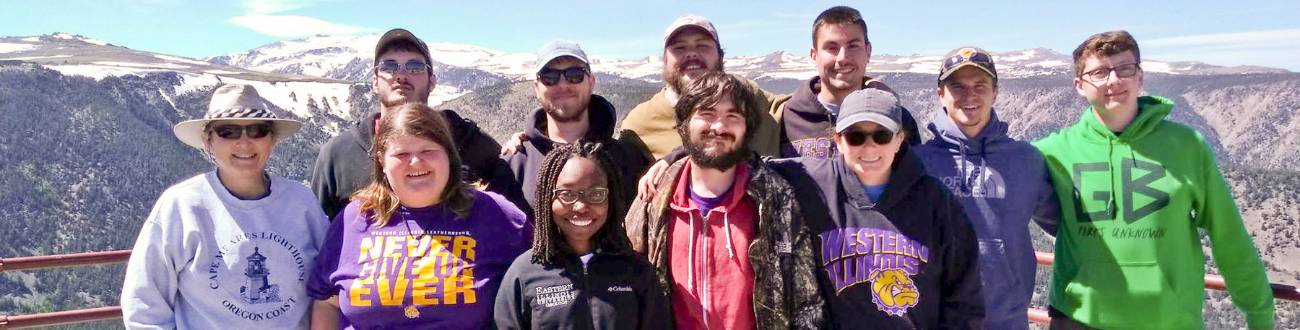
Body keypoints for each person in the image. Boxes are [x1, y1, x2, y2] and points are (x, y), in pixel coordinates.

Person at [1033, 30, 1275, 329]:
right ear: (1079, 86)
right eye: (1099, 72)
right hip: (1079, 319)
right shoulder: (1052, 152)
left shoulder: (1186, 146)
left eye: (1125, 68)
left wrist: (1259, 312)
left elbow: (1229, 237)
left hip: (1169, 320)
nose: (1113, 80)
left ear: (1140, 77)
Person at [624, 71, 825, 329]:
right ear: (684, 124)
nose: (719, 127)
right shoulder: (654, 199)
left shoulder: (776, 199)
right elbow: (628, 284)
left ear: (746, 128)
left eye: (733, 116)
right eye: (707, 113)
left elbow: (806, 302)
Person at [770, 89, 984, 329]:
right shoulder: (811, 182)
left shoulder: (937, 203)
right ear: (838, 141)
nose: (869, 148)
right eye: (856, 136)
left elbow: (964, 300)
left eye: (881, 136)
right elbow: (744, 169)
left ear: (899, 139)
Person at [121, 84, 328, 329]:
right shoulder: (182, 205)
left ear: (271, 140)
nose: (244, 143)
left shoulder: (302, 202)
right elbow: (144, 305)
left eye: (257, 131)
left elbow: (329, 285)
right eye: (228, 132)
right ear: (209, 141)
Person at [308, 103, 531, 329]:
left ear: (449, 155)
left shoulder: (496, 214)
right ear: (381, 161)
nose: (415, 162)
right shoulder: (354, 218)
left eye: (428, 151)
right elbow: (327, 301)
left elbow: (541, 282)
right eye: (401, 154)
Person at [912, 46, 1058, 329]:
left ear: (996, 92)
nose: (970, 96)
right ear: (940, 93)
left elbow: (1067, 228)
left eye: (980, 85)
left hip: (1007, 321)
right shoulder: (916, 163)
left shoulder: (1026, 160)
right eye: (958, 86)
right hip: (934, 320)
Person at [311, 28, 520, 220]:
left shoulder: (472, 143)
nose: (401, 75)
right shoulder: (338, 155)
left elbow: (511, 214)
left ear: (432, 81)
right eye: (389, 66)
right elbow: (317, 237)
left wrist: (519, 150)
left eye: (415, 67)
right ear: (374, 81)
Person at [495, 141, 668, 329]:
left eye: (596, 194)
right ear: (547, 199)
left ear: (611, 199)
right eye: (567, 194)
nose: (581, 206)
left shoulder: (637, 272)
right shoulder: (524, 274)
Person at [504, 41, 647, 216]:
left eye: (574, 74)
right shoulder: (516, 163)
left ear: (591, 82)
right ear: (536, 87)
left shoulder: (628, 159)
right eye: (550, 77)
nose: (563, 85)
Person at [617, 15, 783, 162]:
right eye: (679, 48)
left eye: (702, 46)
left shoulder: (752, 97)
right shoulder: (639, 123)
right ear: (665, 61)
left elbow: (800, 109)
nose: (691, 54)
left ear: (720, 56)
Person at [771, 6, 919, 159]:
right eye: (831, 48)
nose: (843, 57)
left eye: (853, 46)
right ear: (814, 55)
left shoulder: (898, 118)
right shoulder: (785, 118)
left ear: (868, 52)